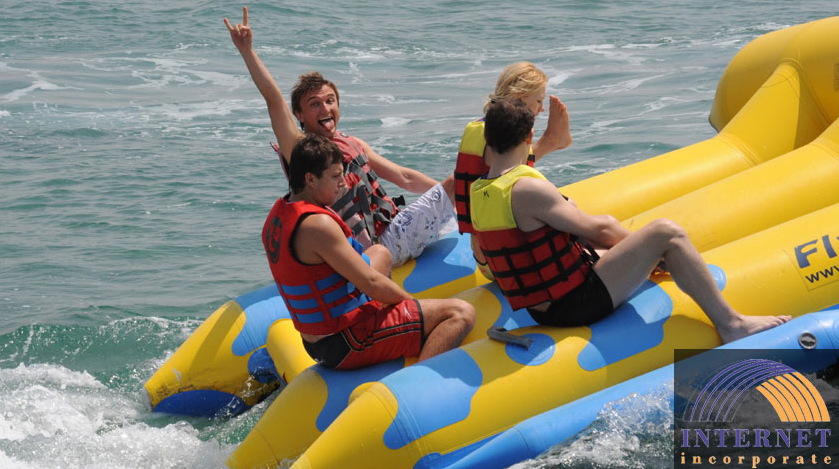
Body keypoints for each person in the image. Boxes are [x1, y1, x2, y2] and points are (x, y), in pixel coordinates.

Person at [469, 98, 789, 343]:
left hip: (539, 309)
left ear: (488, 137)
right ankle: (732, 323)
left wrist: (636, 256)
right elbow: (598, 231)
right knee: (667, 233)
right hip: (573, 305)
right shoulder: (527, 187)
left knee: (620, 237)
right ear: (529, 135)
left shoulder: (480, 191)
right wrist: (652, 251)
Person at [226, 6, 456, 267]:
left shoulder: (352, 142)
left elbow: (403, 177)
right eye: (314, 104)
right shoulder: (303, 152)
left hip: (392, 231)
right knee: (457, 181)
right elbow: (274, 100)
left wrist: (449, 200)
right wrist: (247, 51)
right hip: (374, 251)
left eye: (330, 100)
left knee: (450, 195)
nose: (325, 108)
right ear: (299, 115)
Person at [262, 135, 475, 369]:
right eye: (335, 176)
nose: (343, 183)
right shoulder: (318, 226)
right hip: (346, 341)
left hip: (316, 340)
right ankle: (416, 383)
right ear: (310, 179)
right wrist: (416, 308)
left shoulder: (280, 215)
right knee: (460, 313)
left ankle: (399, 328)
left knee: (380, 252)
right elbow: (372, 283)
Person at [454, 62, 571, 277]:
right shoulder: (490, 136)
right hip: (504, 263)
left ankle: (551, 141)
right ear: (519, 96)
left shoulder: (476, 128)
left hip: (484, 257)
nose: (542, 108)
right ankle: (551, 141)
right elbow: (517, 183)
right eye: (538, 101)